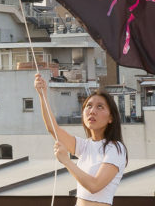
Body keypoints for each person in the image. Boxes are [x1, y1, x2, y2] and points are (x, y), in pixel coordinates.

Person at [34, 72, 127, 205]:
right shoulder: (85, 145)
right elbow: (52, 128)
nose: (92, 111)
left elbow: (94, 186)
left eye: (100, 107)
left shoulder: (116, 149)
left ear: (111, 118)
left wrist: (67, 161)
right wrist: (42, 95)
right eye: (88, 106)